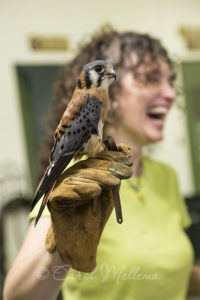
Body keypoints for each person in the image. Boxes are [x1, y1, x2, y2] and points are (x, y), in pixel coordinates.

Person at [3, 25, 200, 300]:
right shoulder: (76, 178)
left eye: (170, 81)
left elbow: (169, 273)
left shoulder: (166, 176)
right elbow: (17, 296)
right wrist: (62, 245)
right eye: (151, 79)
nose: (170, 93)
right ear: (114, 96)